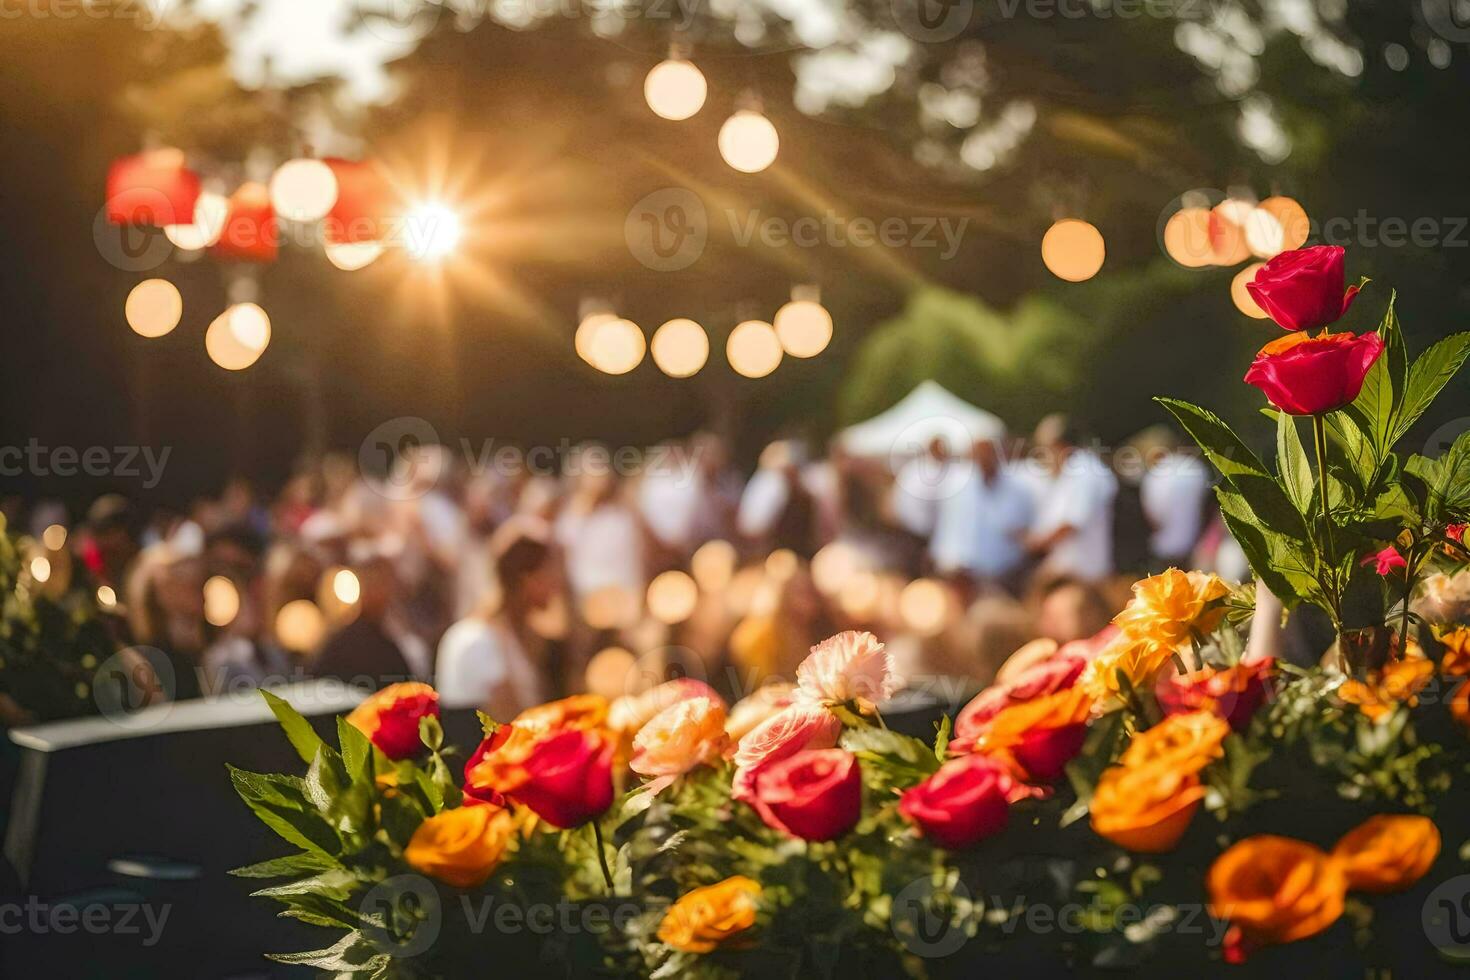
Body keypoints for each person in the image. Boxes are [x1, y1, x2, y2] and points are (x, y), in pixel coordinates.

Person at [436, 519, 557, 717]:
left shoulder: (524, 635)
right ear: (527, 578)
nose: (557, 584)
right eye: (550, 572)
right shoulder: (477, 640)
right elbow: (511, 729)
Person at [929, 435, 1034, 592]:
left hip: (1002, 573)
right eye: (979, 454)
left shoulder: (1018, 489)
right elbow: (948, 528)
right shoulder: (956, 485)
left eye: (988, 453)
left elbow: (1020, 530)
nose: (984, 459)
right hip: (959, 572)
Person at [1024, 415, 1118, 583]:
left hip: (1082, 571)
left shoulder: (1084, 473)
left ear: (1058, 445)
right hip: (1074, 567)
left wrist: (1037, 543)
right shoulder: (1077, 470)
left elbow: (1072, 523)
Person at [1138, 428, 1212, 567]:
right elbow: (1206, 508)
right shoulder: (1198, 468)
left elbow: (1154, 518)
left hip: (1163, 549)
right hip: (1195, 547)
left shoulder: (1154, 475)